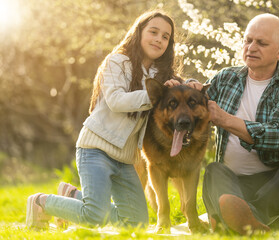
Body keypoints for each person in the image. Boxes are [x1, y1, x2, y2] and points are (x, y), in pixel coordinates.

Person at [26, 10, 180, 229]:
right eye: (153, 32)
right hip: (95, 150)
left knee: (136, 224)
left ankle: (72, 196)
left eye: (165, 37)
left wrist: (192, 84)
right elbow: (116, 100)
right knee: (93, 216)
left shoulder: (160, 74)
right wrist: (154, 94)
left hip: (125, 159)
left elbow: (179, 86)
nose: (159, 39)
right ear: (139, 33)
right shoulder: (117, 62)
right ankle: (41, 202)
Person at [186, 13, 279, 234]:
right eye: (248, 40)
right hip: (234, 184)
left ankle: (253, 213)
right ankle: (235, 215)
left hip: (278, 184)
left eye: (261, 43)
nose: (251, 47)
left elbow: (278, 137)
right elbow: (195, 101)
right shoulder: (226, 78)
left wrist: (224, 119)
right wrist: (186, 86)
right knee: (214, 170)